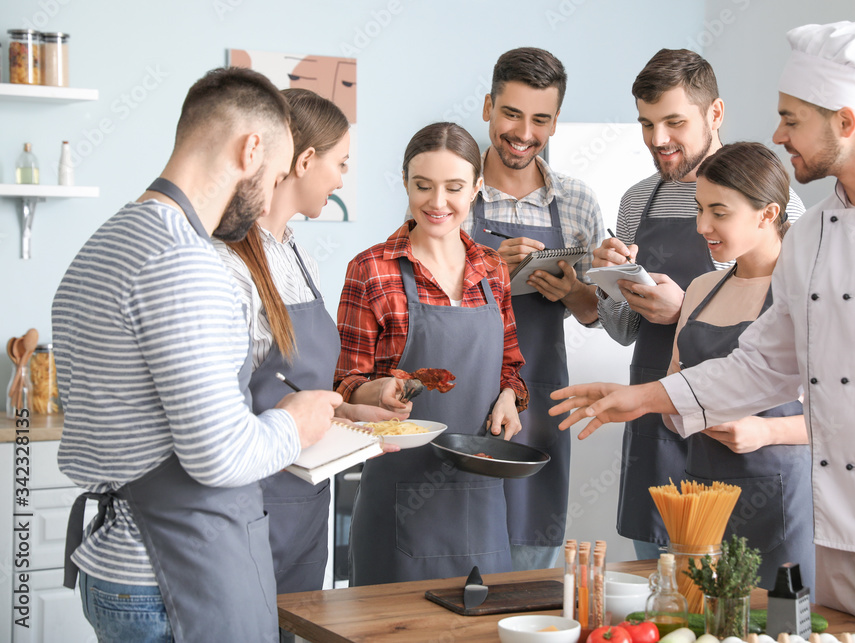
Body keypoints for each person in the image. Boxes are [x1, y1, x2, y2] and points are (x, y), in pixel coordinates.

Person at [551, 21, 855, 643]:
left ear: (845, 121)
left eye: (791, 119)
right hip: (835, 539)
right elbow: (763, 363)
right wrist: (645, 396)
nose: (777, 134)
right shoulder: (812, 234)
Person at [53, 68, 342, 643]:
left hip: (121, 564)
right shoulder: (184, 262)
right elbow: (220, 458)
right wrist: (297, 421)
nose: (269, 196)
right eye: (277, 175)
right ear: (250, 149)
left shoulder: (104, 244)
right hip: (172, 574)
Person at [591, 48, 806, 560]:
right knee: (664, 583)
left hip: (753, 428)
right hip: (657, 403)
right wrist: (609, 284)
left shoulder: (781, 202)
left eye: (674, 122)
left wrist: (682, 306)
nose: (658, 140)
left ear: (715, 114)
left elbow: (799, 347)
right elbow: (620, 329)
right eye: (646, 124)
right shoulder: (635, 200)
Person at [212, 88, 399, 634]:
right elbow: (228, 404)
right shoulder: (227, 261)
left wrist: (349, 416)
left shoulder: (294, 249)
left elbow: (299, 384)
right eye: (340, 163)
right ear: (304, 160)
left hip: (307, 499)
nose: (342, 179)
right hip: (252, 502)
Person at [336, 122, 529, 586]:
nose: (437, 202)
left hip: (480, 495)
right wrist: (377, 390)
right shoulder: (372, 270)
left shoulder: (493, 270)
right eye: (422, 186)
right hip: (400, 492)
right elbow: (343, 384)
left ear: (478, 189)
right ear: (405, 182)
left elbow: (510, 366)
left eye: (454, 188)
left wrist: (510, 398)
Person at [469, 47, 603, 571]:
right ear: (488, 107)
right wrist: (486, 269)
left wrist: (572, 292)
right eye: (511, 113)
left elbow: (600, 315)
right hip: (463, 397)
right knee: (457, 555)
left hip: (540, 404)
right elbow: (411, 301)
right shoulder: (452, 192)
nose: (523, 131)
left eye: (540, 119)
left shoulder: (577, 203)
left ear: (555, 122)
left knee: (530, 567)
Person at [666, 141, 813, 593]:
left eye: (718, 212)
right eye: (698, 209)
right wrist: (676, 415)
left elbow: (849, 412)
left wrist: (765, 432)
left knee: (779, 625)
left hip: (781, 495)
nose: (702, 226)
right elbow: (674, 386)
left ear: (768, 214)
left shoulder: (809, 288)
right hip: (702, 491)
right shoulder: (701, 287)